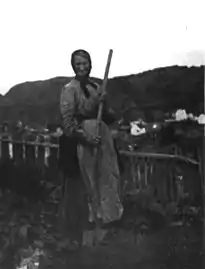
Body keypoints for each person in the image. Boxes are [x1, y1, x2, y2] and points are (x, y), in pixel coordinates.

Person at [58, 49, 123, 250]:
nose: (82, 67)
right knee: (83, 185)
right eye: (78, 64)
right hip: (78, 143)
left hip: (100, 140)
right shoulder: (70, 89)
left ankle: (105, 222)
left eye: (85, 63)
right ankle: (78, 233)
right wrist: (86, 137)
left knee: (105, 178)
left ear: (90, 64)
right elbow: (68, 123)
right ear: (73, 66)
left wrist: (104, 102)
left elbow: (108, 116)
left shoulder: (96, 87)